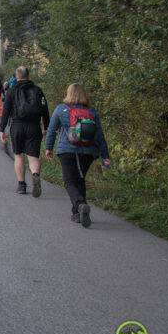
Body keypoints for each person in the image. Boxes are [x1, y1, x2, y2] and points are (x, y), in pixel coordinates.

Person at [44, 83, 111, 227]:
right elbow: (100, 136)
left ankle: (80, 205)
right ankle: (77, 213)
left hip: (67, 150)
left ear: (68, 94)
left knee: (69, 181)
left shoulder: (61, 109)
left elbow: (51, 130)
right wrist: (105, 156)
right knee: (80, 180)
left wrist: (48, 148)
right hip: (88, 152)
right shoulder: (92, 112)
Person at [0, 66, 50, 196]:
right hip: (34, 126)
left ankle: (21, 185)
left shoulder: (11, 91)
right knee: (33, 157)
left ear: (17, 76)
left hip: (17, 126)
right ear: (29, 75)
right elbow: (45, 111)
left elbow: (5, 112)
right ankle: (35, 175)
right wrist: (46, 127)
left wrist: (2, 129)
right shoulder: (38, 90)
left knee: (18, 156)